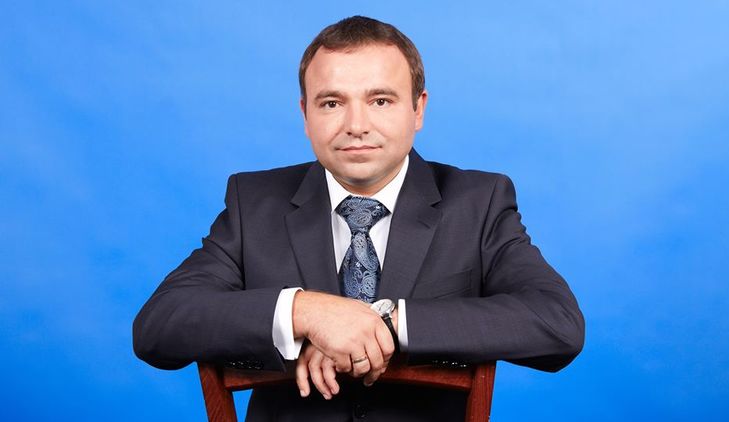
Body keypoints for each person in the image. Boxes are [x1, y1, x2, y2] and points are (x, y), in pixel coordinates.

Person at [133, 15, 584, 421]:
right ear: (305, 114)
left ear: (418, 108)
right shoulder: (254, 202)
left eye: (380, 101)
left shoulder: (479, 203)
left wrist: (381, 323)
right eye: (331, 103)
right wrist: (306, 312)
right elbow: (159, 326)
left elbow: (557, 323)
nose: (356, 124)